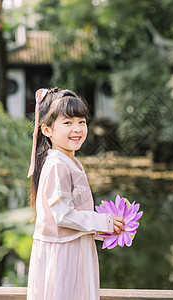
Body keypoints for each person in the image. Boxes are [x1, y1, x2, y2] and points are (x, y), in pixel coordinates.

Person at [26, 87, 124, 300]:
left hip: (73, 249)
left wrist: (107, 229)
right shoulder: (56, 165)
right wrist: (103, 221)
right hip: (63, 256)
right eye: (68, 123)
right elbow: (63, 216)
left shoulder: (71, 162)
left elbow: (75, 214)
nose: (77, 129)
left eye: (81, 121)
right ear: (47, 130)